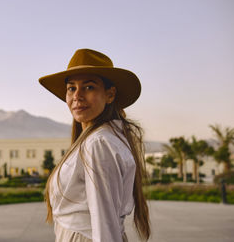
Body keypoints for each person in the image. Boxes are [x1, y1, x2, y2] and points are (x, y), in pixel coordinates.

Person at [39, 49, 150, 242]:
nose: (77, 96)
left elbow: (105, 223)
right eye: (71, 88)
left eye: (89, 87)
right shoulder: (98, 139)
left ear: (110, 94)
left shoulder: (98, 143)